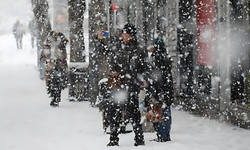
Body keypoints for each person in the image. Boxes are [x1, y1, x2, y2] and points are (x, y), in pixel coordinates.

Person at [97, 23, 147, 146]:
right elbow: (105, 51)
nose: (124, 36)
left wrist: (143, 79)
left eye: (126, 34)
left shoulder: (138, 49)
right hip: (118, 83)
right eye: (123, 34)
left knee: (133, 112)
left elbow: (143, 67)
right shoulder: (117, 46)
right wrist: (100, 41)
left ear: (131, 35)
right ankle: (114, 139)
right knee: (115, 112)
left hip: (132, 83)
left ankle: (139, 138)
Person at [146, 37, 173, 142]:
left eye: (152, 45)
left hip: (159, 91)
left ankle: (162, 135)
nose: (150, 47)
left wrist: (152, 88)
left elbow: (156, 76)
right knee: (163, 113)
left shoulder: (157, 58)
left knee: (160, 113)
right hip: (163, 91)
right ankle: (163, 135)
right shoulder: (163, 57)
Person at [41, 30, 69, 107]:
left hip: (60, 64)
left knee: (59, 82)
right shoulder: (47, 44)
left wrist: (60, 35)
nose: (53, 37)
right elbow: (43, 56)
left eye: (55, 36)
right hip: (51, 65)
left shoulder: (61, 43)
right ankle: (53, 97)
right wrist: (47, 59)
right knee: (51, 83)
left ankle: (57, 97)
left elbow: (65, 41)